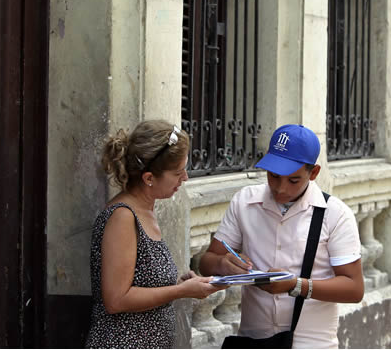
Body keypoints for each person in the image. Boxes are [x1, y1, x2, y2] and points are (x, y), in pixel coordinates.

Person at [199, 124, 364, 348]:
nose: (280, 188)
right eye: (273, 176)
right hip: (254, 339)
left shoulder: (335, 214)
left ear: (313, 173)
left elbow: (354, 288)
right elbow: (207, 263)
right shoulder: (245, 202)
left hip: (312, 344)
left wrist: (296, 285)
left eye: (293, 180)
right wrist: (223, 264)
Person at [86, 120, 226, 348]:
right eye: (178, 172)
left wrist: (182, 284)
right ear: (149, 178)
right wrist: (180, 291)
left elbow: (143, 282)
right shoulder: (123, 216)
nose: (186, 178)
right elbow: (116, 299)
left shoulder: (146, 211)